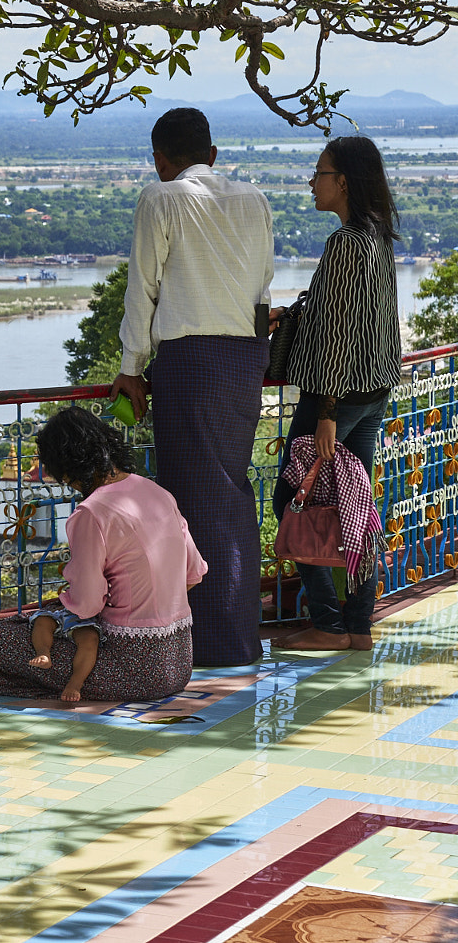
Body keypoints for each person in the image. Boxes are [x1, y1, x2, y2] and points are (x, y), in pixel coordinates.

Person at [110, 107, 274, 667]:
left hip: (190, 360)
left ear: (160, 160)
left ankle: (205, 644)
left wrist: (132, 365)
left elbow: (143, 289)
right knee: (230, 493)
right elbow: (261, 287)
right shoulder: (253, 198)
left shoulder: (162, 198)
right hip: (245, 360)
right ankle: (238, 638)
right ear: (212, 153)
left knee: (192, 502)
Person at [0, 408, 207, 702]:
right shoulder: (157, 491)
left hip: (131, 669)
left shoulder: (91, 513)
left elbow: (86, 604)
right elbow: (194, 574)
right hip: (178, 661)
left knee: (1, 637)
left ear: (69, 467)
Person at [270, 137, 401, 653]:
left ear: (342, 181)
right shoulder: (377, 237)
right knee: (356, 504)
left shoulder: (346, 242)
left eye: (319, 173)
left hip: (338, 396)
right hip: (373, 390)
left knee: (293, 497)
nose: (312, 182)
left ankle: (327, 622)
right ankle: (360, 624)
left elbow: (339, 335)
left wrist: (325, 411)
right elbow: (371, 323)